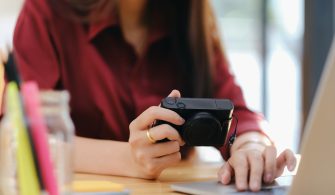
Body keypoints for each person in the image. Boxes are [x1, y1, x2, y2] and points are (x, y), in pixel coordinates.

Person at [12, 0, 296, 192]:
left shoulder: (190, 15)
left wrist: (251, 147)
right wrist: (128, 159)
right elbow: (21, 137)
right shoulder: (46, 12)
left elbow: (242, 115)